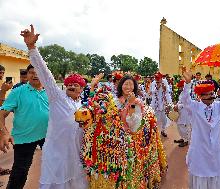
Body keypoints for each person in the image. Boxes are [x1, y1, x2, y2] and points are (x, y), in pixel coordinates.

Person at [19, 24, 103, 188]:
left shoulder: (81, 105)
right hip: (57, 154)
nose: (72, 86)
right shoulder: (57, 97)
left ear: (81, 89)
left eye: (76, 85)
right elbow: (45, 73)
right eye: (69, 84)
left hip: (75, 155)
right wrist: (32, 47)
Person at [77, 75, 167, 188]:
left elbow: (134, 126)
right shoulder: (114, 100)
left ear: (135, 87)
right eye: (126, 83)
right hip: (113, 144)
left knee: (127, 175)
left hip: (129, 146)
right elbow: (97, 109)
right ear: (121, 86)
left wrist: (132, 104)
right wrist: (92, 87)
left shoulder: (138, 102)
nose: (128, 86)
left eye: (131, 84)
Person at [0, 64, 48, 189]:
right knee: (20, 172)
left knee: (54, 165)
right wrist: (4, 133)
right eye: (31, 72)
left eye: (38, 72)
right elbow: (2, 114)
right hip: (24, 138)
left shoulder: (50, 91)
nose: (35, 75)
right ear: (27, 75)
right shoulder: (18, 92)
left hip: (48, 136)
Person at [150, 72, 172, 137]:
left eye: (158, 79)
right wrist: (157, 88)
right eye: (156, 78)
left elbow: (168, 91)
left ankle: (163, 130)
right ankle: (154, 132)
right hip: (156, 104)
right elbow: (152, 92)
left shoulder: (165, 82)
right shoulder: (153, 83)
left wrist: (164, 88)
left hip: (163, 104)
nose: (157, 80)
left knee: (164, 119)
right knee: (155, 119)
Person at [174, 79, 191, 147]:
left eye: (180, 87)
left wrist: (178, 106)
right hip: (181, 112)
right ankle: (183, 138)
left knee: (183, 126)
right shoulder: (182, 92)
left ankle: (186, 140)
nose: (179, 88)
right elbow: (180, 101)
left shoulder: (187, 93)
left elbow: (186, 104)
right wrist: (176, 105)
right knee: (180, 126)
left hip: (185, 112)